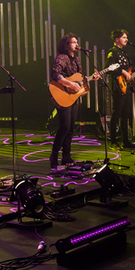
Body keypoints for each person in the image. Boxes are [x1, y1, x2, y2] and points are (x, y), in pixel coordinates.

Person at [49, 33, 88, 170]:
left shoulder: (77, 60)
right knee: (64, 126)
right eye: (73, 42)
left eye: (77, 42)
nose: (76, 44)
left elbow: (79, 79)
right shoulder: (62, 58)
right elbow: (55, 73)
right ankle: (54, 155)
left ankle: (66, 156)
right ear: (66, 45)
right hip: (62, 94)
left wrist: (87, 82)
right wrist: (69, 84)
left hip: (73, 97)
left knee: (71, 128)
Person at [107, 29, 133, 148]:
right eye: (124, 37)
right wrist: (122, 71)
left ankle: (126, 141)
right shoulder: (113, 52)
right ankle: (113, 140)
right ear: (117, 39)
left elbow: (128, 70)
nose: (126, 39)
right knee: (116, 113)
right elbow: (109, 68)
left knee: (126, 114)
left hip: (126, 86)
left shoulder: (124, 53)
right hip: (118, 86)